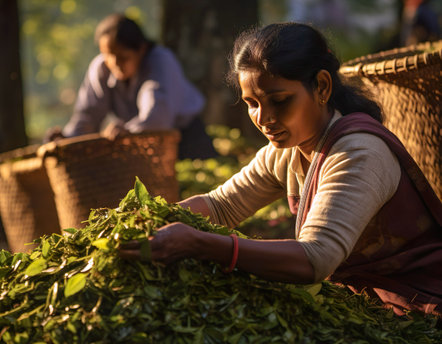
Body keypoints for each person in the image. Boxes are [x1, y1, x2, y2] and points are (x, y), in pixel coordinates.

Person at [120, 23, 442, 317]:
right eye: (252, 103)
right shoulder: (285, 151)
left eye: (280, 100)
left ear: (322, 87)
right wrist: (153, 220)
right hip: (360, 299)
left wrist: (200, 244)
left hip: (414, 306)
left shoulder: (359, 153)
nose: (263, 118)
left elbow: (315, 258)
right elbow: (221, 205)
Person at [46, 14, 217, 160]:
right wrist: (66, 140)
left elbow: (157, 115)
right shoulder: (101, 68)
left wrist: (127, 130)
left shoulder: (160, 61)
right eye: (108, 55)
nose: (115, 63)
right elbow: (88, 115)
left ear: (141, 49)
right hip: (137, 144)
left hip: (186, 139)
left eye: (123, 56)